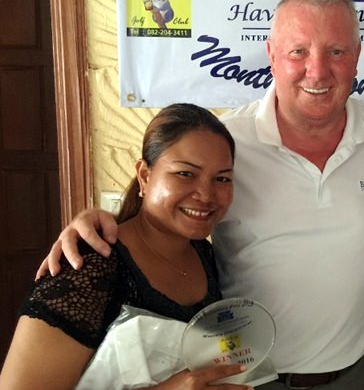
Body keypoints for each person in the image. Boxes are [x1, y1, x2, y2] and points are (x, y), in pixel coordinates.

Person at [36, 0, 364, 390]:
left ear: (356, 56)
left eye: (336, 51)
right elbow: (166, 212)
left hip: (356, 373)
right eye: (298, 51)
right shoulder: (226, 142)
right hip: (243, 378)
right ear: (271, 55)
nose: (316, 70)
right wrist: (95, 222)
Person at [0, 104, 249, 390]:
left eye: (222, 179)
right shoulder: (89, 268)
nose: (206, 195)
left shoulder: (205, 255)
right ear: (145, 175)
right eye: (185, 174)